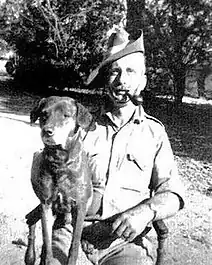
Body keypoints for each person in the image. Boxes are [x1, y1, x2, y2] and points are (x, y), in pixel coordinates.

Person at [52, 28, 185, 265]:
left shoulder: (154, 133)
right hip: (72, 233)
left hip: (123, 243)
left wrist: (146, 212)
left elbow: (173, 193)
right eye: (115, 71)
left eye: (130, 71)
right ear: (106, 79)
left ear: (142, 81)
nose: (122, 80)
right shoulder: (80, 127)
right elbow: (54, 177)